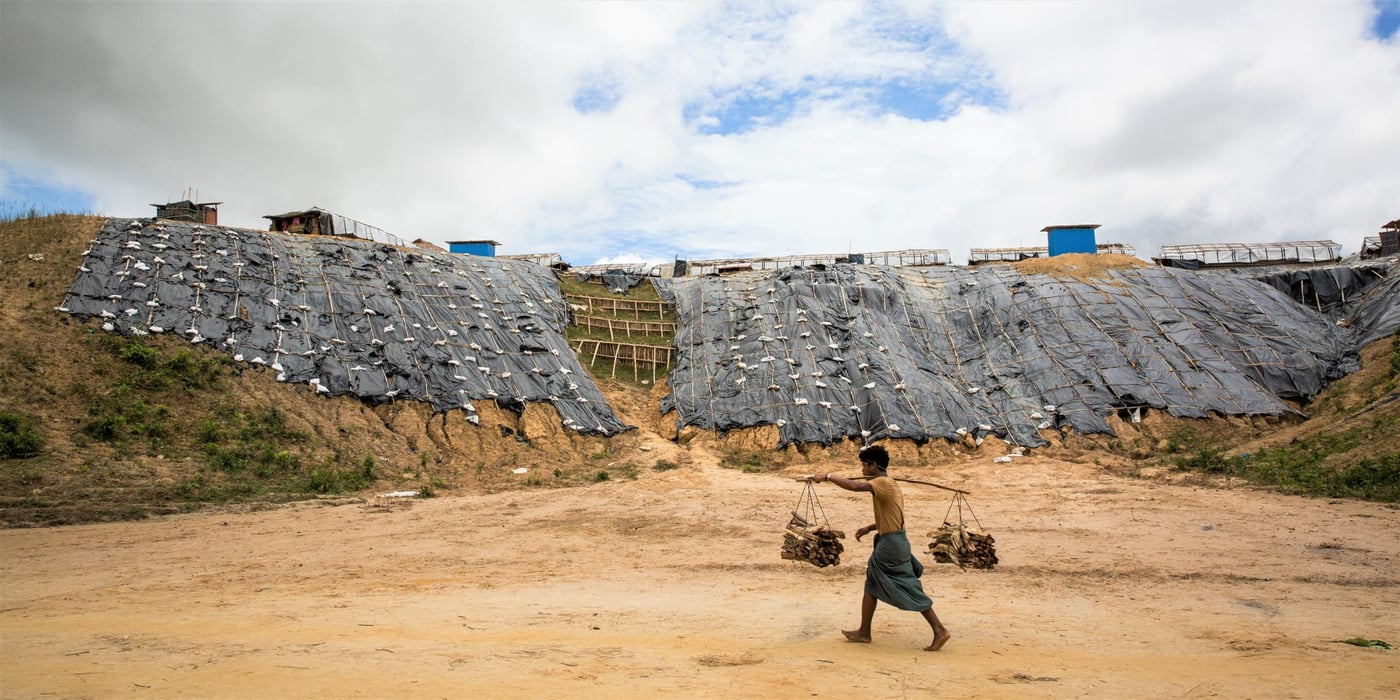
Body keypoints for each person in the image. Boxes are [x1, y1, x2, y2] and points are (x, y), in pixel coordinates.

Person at [809, 445, 951, 651]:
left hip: (891, 544)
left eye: (864, 465)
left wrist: (827, 477)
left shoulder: (882, 483)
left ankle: (939, 629)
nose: (862, 470)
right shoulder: (889, 483)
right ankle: (864, 631)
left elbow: (856, 487)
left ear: (873, 465)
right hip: (894, 540)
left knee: (907, 585)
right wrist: (870, 527)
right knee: (872, 582)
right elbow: (892, 515)